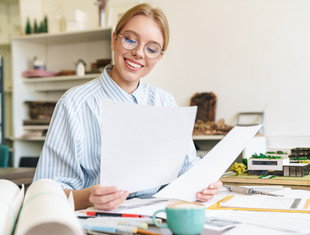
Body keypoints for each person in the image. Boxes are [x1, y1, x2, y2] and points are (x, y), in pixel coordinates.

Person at [33, 3, 222, 211]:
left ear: (159, 57)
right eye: (130, 40)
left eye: (151, 49)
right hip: (97, 222)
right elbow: (44, 194)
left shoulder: (164, 102)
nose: (139, 53)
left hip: (156, 217)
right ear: (114, 40)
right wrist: (89, 197)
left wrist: (205, 181)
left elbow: (187, 166)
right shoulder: (74, 105)